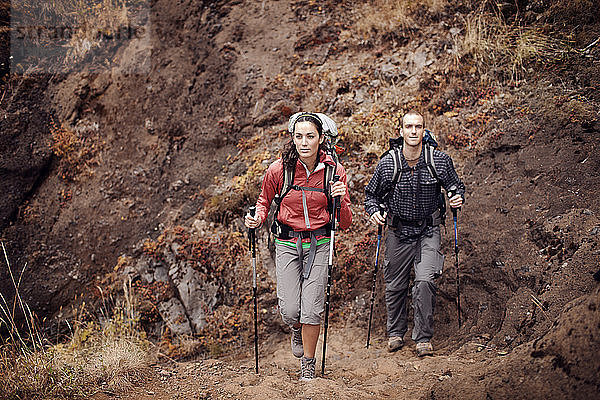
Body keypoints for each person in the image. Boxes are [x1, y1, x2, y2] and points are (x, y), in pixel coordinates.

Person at [245, 112, 352, 380]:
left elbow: (346, 222)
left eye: (310, 136)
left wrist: (341, 199)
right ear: (292, 138)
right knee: (292, 309)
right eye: (299, 136)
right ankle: (296, 327)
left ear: (320, 139)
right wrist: (257, 218)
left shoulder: (334, 172)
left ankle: (308, 362)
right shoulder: (278, 170)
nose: (304, 142)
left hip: (320, 242)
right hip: (287, 242)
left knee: (313, 308)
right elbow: (264, 201)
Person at [364, 110, 465, 357]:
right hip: (398, 231)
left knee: (424, 281)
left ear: (423, 130)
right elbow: (371, 195)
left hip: (428, 230)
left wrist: (456, 197)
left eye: (417, 127)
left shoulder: (438, 160)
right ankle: (395, 333)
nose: (413, 131)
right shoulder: (389, 163)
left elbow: (455, 185)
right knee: (395, 284)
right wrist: (374, 211)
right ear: (401, 131)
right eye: (408, 126)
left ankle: (423, 337)